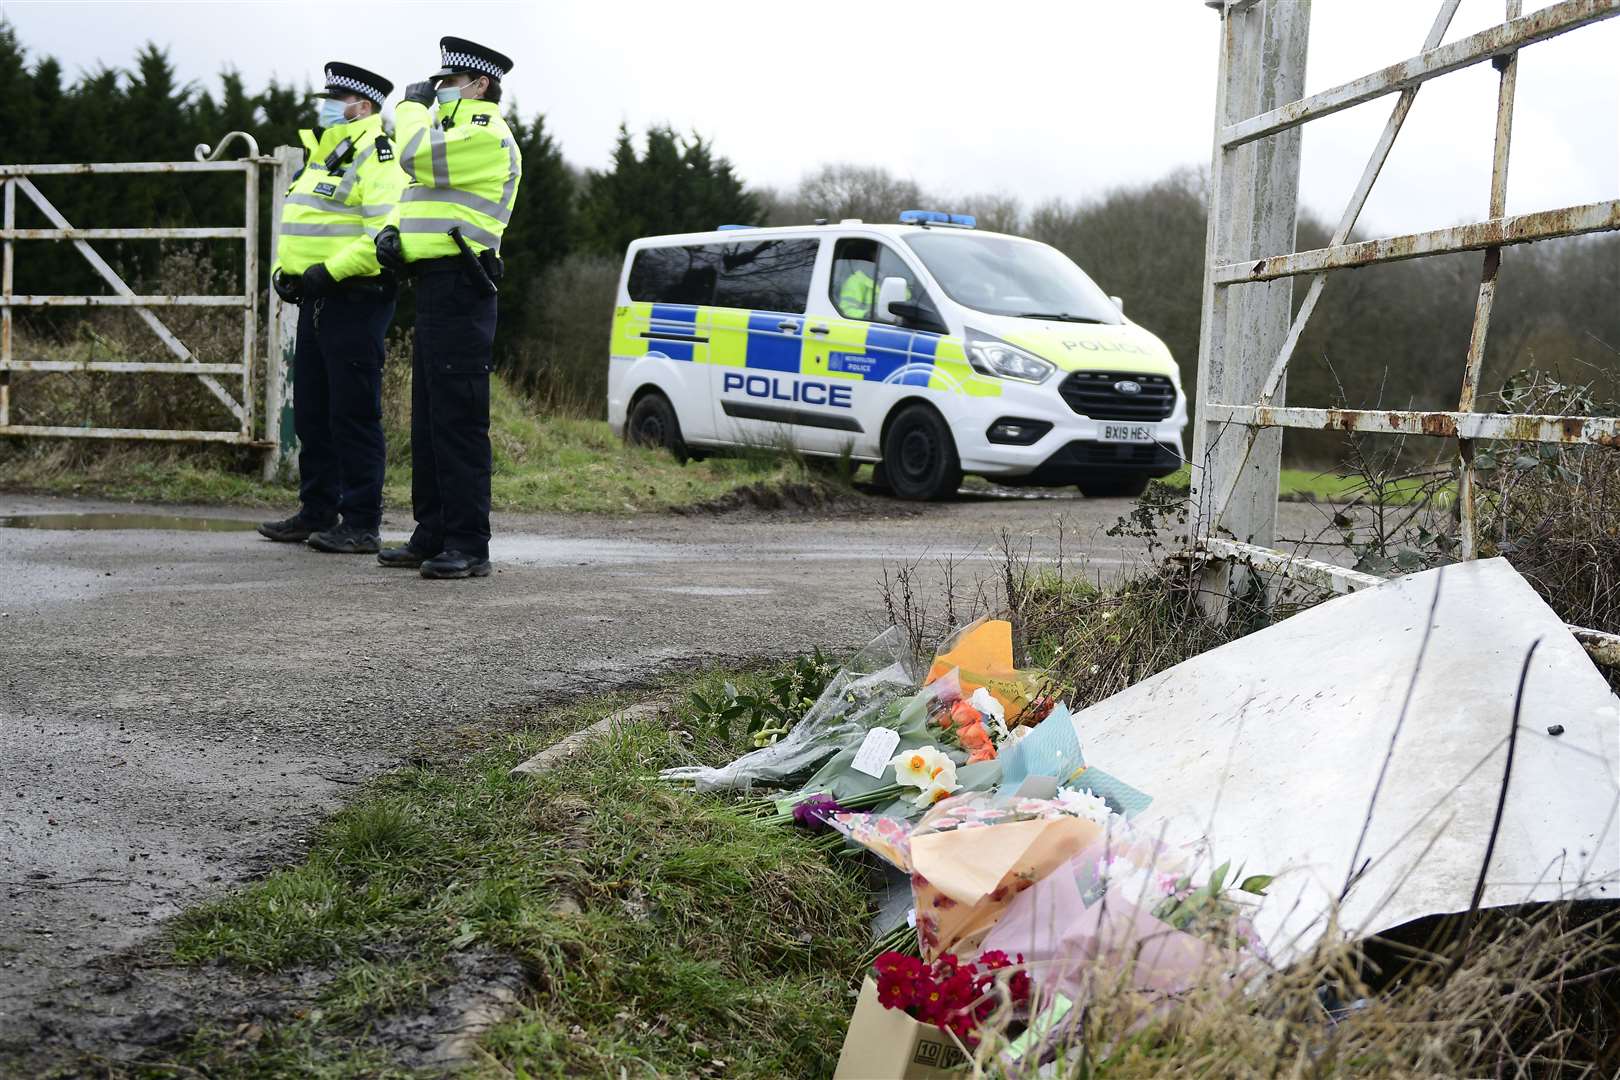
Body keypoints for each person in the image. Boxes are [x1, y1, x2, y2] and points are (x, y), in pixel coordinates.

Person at [373, 37, 521, 580]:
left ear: (480, 85)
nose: (439, 92)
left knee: (458, 419)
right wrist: (392, 233)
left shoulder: (485, 133)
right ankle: (431, 532)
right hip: (433, 283)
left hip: (463, 284)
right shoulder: (450, 131)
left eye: (448, 83)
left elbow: (415, 158)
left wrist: (409, 107)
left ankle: (468, 542)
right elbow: (415, 193)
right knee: (430, 417)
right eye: (436, 85)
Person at [258, 62, 406, 554]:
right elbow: (304, 223)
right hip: (318, 297)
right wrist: (287, 271)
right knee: (314, 413)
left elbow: (383, 235)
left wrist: (328, 272)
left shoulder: (378, 156)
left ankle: (362, 521)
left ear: (361, 106)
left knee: (354, 412)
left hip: (356, 297)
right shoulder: (326, 154)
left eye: (335, 98)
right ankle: (317, 510)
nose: (325, 106)